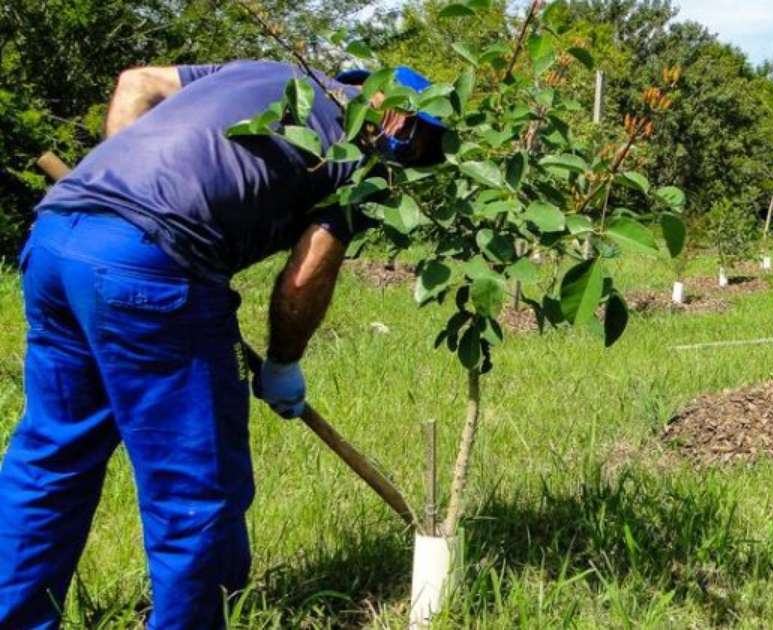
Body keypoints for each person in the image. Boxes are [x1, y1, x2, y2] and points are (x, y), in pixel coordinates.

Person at [0, 60, 445, 629]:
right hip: (146, 271)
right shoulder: (356, 162)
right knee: (195, 482)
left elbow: (138, 82)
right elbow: (307, 276)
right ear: (394, 119)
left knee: (52, 458)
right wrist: (283, 362)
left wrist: (122, 188)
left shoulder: (269, 70)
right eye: (416, 146)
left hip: (58, 238)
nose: (406, 162)